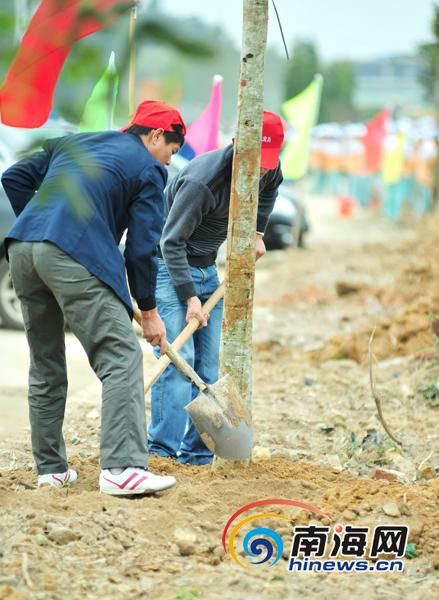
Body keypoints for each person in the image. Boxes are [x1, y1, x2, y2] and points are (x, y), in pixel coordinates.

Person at [1, 100, 186, 495]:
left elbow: (14, 177)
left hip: (22, 249)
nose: (169, 163)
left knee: (46, 362)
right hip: (71, 253)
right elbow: (141, 248)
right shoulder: (149, 168)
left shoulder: (73, 142)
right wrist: (150, 312)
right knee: (120, 355)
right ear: (155, 136)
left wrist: (42, 225)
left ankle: (51, 470)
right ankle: (122, 467)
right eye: (171, 152)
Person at [148, 110, 284, 465]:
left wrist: (257, 232)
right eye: (256, 163)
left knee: (208, 368)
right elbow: (170, 243)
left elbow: (269, 193)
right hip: (169, 269)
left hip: (209, 271)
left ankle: (195, 454)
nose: (262, 172)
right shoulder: (202, 181)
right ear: (238, 146)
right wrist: (190, 296)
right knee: (180, 361)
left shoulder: (268, 169)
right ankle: (161, 452)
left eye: (267, 164)